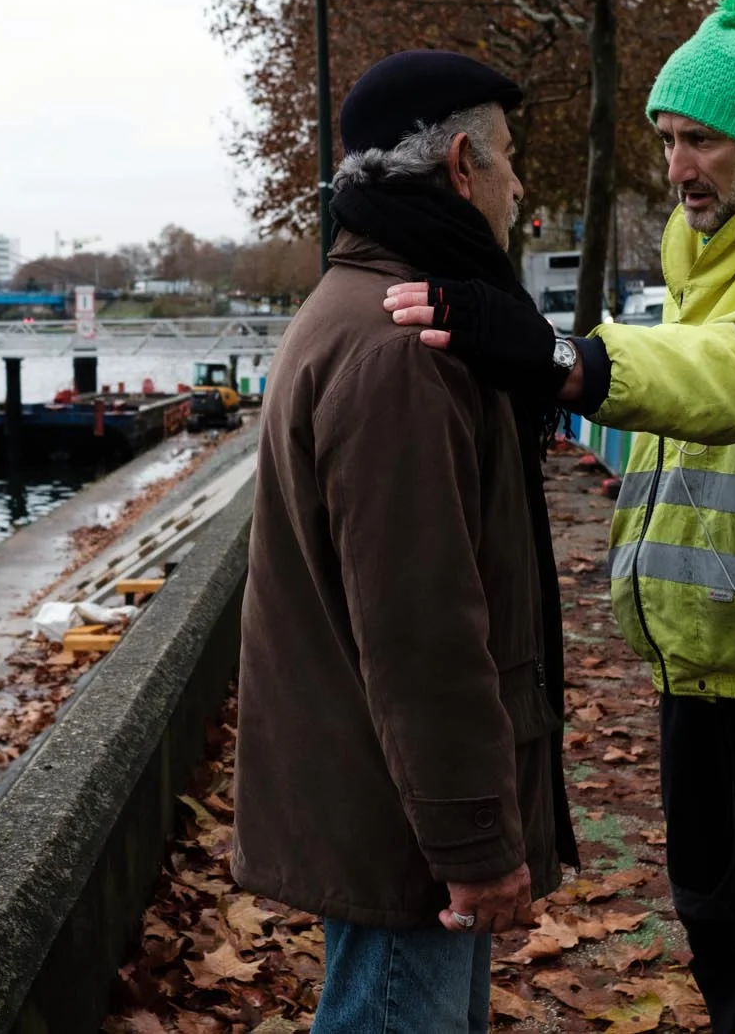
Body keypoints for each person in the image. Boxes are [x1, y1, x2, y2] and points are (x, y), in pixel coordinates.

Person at [384, 0, 735, 1034]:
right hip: (696, 666)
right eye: (668, 139)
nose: (677, 167)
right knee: (719, 942)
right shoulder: (695, 264)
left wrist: (562, 361)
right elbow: (660, 407)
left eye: (702, 142)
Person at [232, 50, 578, 1034]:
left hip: (383, 801)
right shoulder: (399, 349)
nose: (520, 186)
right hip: (405, 831)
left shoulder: (362, 309)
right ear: (462, 165)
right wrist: (473, 841)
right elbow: (420, 628)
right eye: (508, 158)